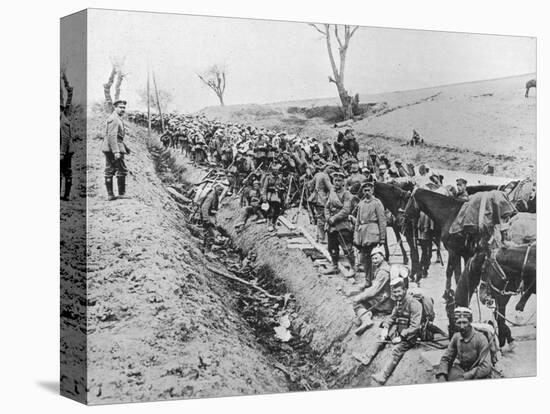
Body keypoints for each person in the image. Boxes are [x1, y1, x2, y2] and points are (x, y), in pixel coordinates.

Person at [371, 277, 422, 385]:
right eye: (394, 292)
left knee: (397, 350)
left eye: (398, 291)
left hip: (411, 336)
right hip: (400, 330)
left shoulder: (414, 304)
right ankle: (367, 356)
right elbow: (392, 317)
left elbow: (415, 327)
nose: (396, 294)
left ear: (404, 290)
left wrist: (402, 337)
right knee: (381, 337)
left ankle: (383, 376)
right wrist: (385, 328)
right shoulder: (399, 302)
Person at [435, 307, 493, 381]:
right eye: (459, 323)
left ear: (470, 322)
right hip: (461, 370)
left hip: (478, 373)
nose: (462, 327)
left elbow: (486, 367)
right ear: (455, 323)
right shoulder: (456, 337)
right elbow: (446, 358)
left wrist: (466, 376)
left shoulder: (481, 338)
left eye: (464, 322)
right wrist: (442, 374)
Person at [352, 246, 393, 335]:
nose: (374, 261)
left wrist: (359, 297)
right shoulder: (382, 267)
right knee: (364, 298)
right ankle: (366, 316)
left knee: (357, 302)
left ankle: (366, 320)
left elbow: (374, 290)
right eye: (373, 258)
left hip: (385, 302)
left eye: (376, 258)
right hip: (384, 299)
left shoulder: (383, 271)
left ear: (382, 257)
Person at [354, 181, 387, 286]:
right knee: (364, 259)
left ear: (372, 190)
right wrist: (356, 237)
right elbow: (357, 222)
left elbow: (382, 221)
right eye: (365, 190)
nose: (367, 192)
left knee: (375, 259)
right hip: (363, 235)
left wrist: (382, 237)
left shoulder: (377, 203)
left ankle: (376, 281)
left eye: (369, 190)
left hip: (373, 234)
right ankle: (368, 280)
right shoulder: (361, 204)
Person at [324, 172, 355, 276]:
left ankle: (352, 267)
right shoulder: (331, 193)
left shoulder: (346, 194)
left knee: (347, 248)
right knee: (332, 247)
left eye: (339, 181)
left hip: (343, 225)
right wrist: (328, 218)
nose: (337, 183)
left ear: (343, 182)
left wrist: (334, 218)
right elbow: (327, 207)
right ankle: (334, 266)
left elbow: (346, 210)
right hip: (332, 226)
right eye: (335, 180)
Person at [102, 100, 129, 201]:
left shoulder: (117, 118)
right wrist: (116, 151)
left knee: (110, 169)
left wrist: (125, 147)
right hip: (113, 148)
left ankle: (111, 195)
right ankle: (120, 194)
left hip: (112, 147)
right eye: (120, 107)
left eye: (124, 108)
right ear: (115, 108)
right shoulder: (114, 119)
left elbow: (118, 136)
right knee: (121, 169)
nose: (123, 109)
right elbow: (112, 136)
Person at [307, 165, 333, 243]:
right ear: (327, 168)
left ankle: (318, 236)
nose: (332, 171)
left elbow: (310, 186)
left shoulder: (317, 174)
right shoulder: (325, 176)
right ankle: (322, 238)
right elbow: (330, 188)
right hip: (322, 199)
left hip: (316, 198)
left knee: (319, 217)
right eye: (331, 169)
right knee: (323, 218)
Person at [200, 184, 224, 252]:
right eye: (219, 190)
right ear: (215, 189)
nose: (220, 192)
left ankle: (204, 249)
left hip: (210, 216)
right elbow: (204, 208)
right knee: (210, 234)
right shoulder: (211, 196)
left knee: (209, 233)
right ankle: (207, 252)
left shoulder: (215, 195)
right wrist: (206, 219)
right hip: (207, 216)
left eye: (221, 191)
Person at [60, 105, 73, 201]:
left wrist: (62, 153)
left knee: (66, 172)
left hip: (66, 151)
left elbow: (65, 139)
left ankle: (67, 195)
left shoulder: (63, 122)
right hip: (64, 150)